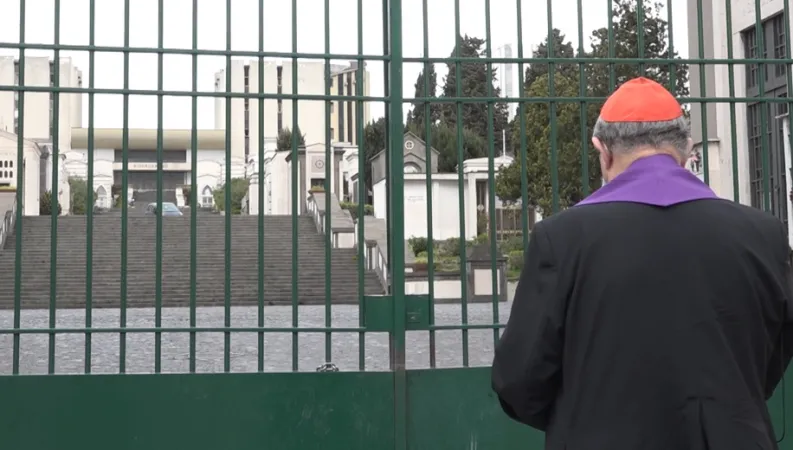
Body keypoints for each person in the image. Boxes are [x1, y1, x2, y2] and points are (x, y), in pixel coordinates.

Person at [491, 77, 793, 449]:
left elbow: (519, 380)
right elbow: (773, 356)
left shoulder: (562, 239)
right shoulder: (763, 235)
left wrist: (581, 416)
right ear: (687, 149)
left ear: (602, 151)